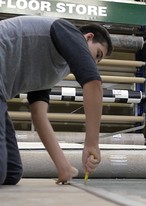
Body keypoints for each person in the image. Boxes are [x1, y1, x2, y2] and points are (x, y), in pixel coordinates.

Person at [0, 15, 113, 185]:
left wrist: (63, 166)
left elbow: (39, 114)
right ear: (88, 37)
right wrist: (92, 144)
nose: (94, 62)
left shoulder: (57, 68)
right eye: (97, 54)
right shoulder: (66, 30)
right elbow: (93, 83)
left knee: (11, 171)